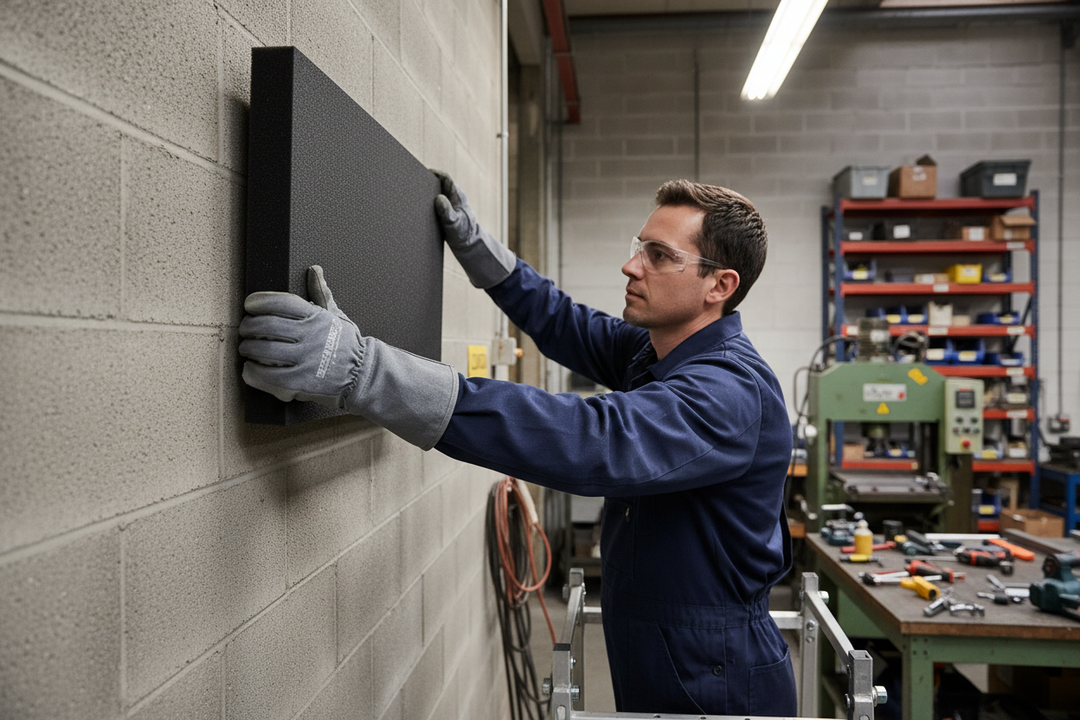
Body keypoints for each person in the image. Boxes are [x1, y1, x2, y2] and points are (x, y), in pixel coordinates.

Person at [239, 172, 797, 716]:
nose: (631, 266)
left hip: (717, 675)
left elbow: (593, 439)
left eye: (658, 255)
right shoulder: (657, 352)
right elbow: (567, 323)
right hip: (669, 650)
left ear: (719, 285)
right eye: (638, 247)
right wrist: (483, 252)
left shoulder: (731, 391)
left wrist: (368, 372)